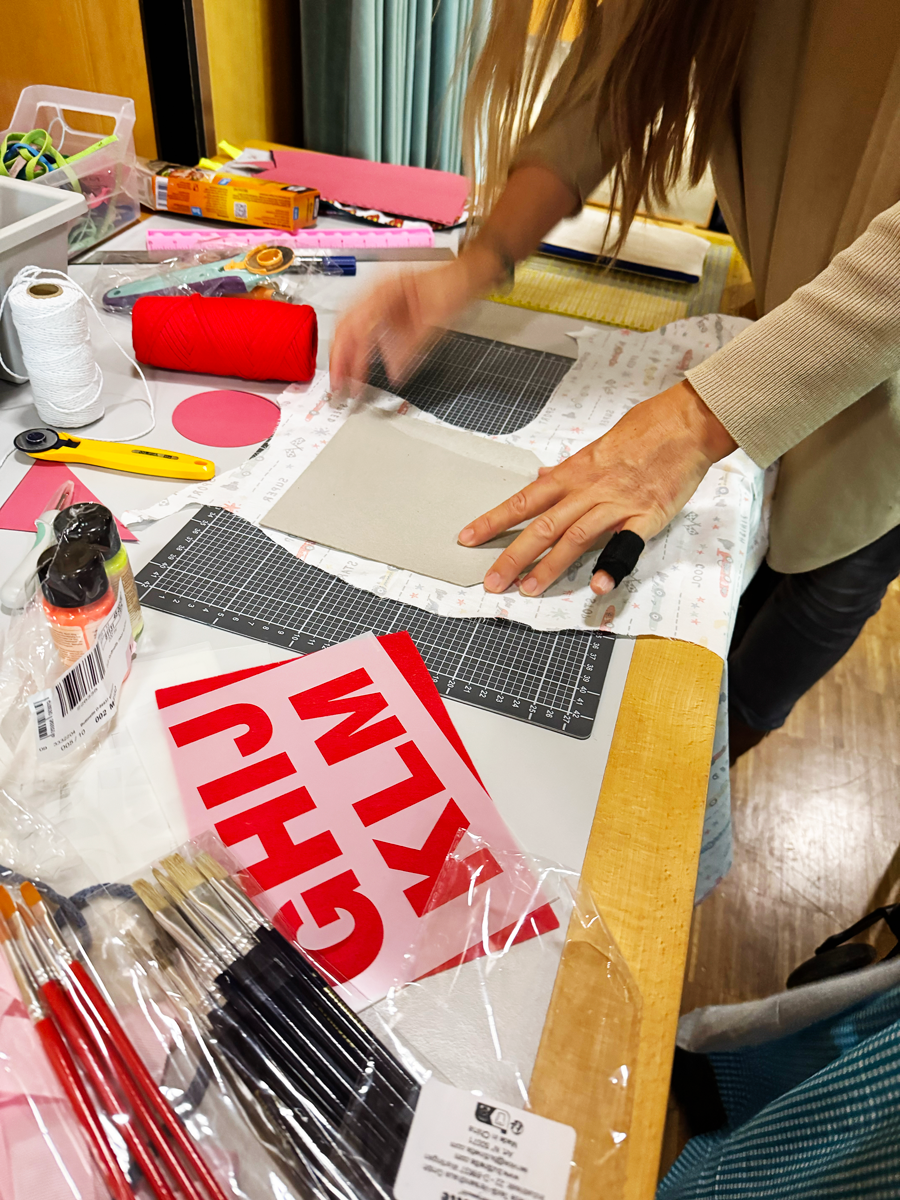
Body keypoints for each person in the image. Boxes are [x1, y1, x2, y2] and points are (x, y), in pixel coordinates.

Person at [330, 0, 900, 759]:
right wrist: (479, 258)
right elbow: (616, 81)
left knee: (833, 559)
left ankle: (709, 760)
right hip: (807, 297)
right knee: (756, 539)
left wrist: (693, 422)